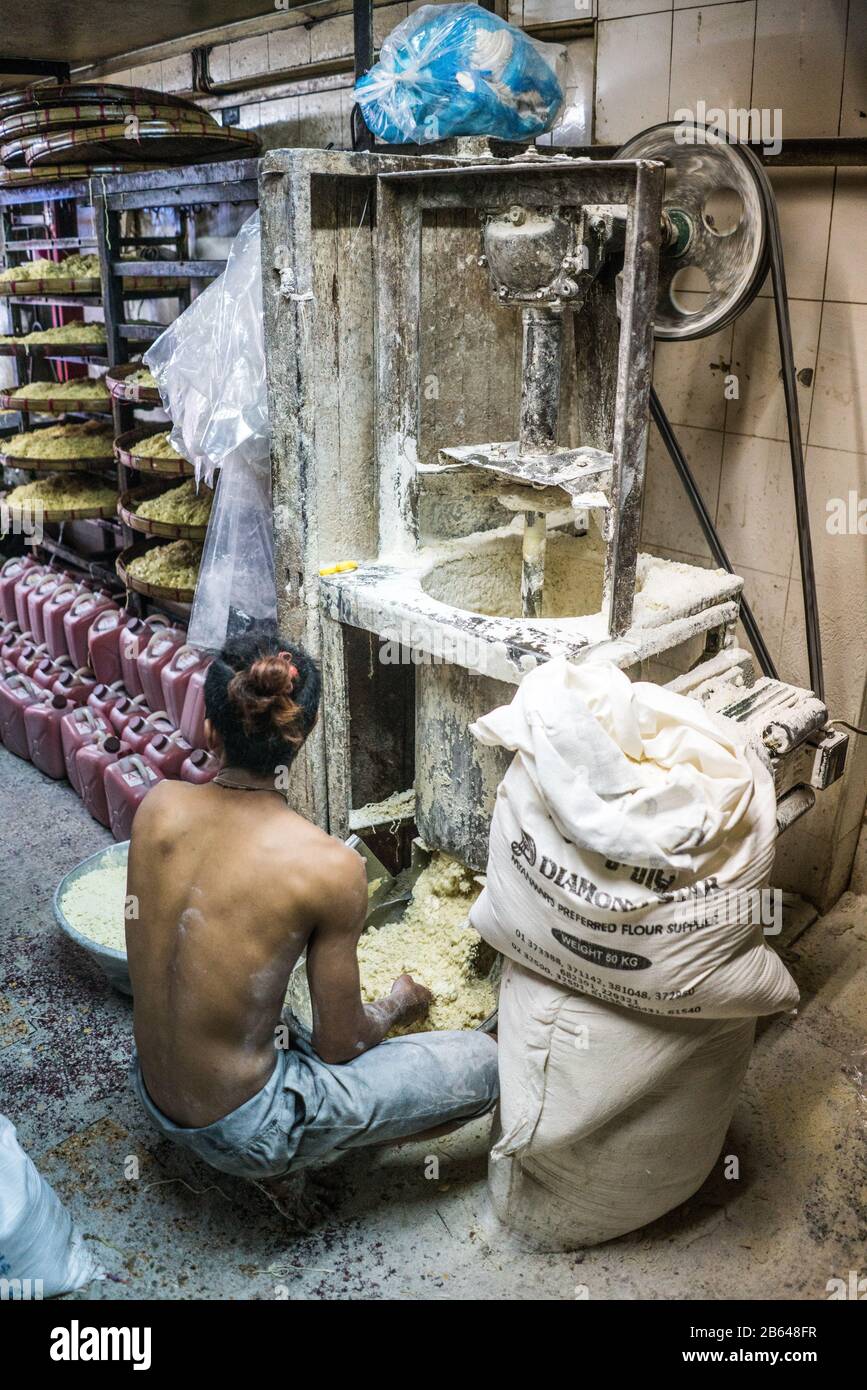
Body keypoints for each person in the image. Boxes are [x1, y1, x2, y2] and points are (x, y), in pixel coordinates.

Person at [126, 633, 498, 1201]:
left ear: (208, 728)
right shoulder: (328, 865)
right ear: (300, 737)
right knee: (486, 1065)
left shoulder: (158, 807)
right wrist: (398, 1002)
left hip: (153, 1091)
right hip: (246, 1129)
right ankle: (306, 1157)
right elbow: (339, 1044)